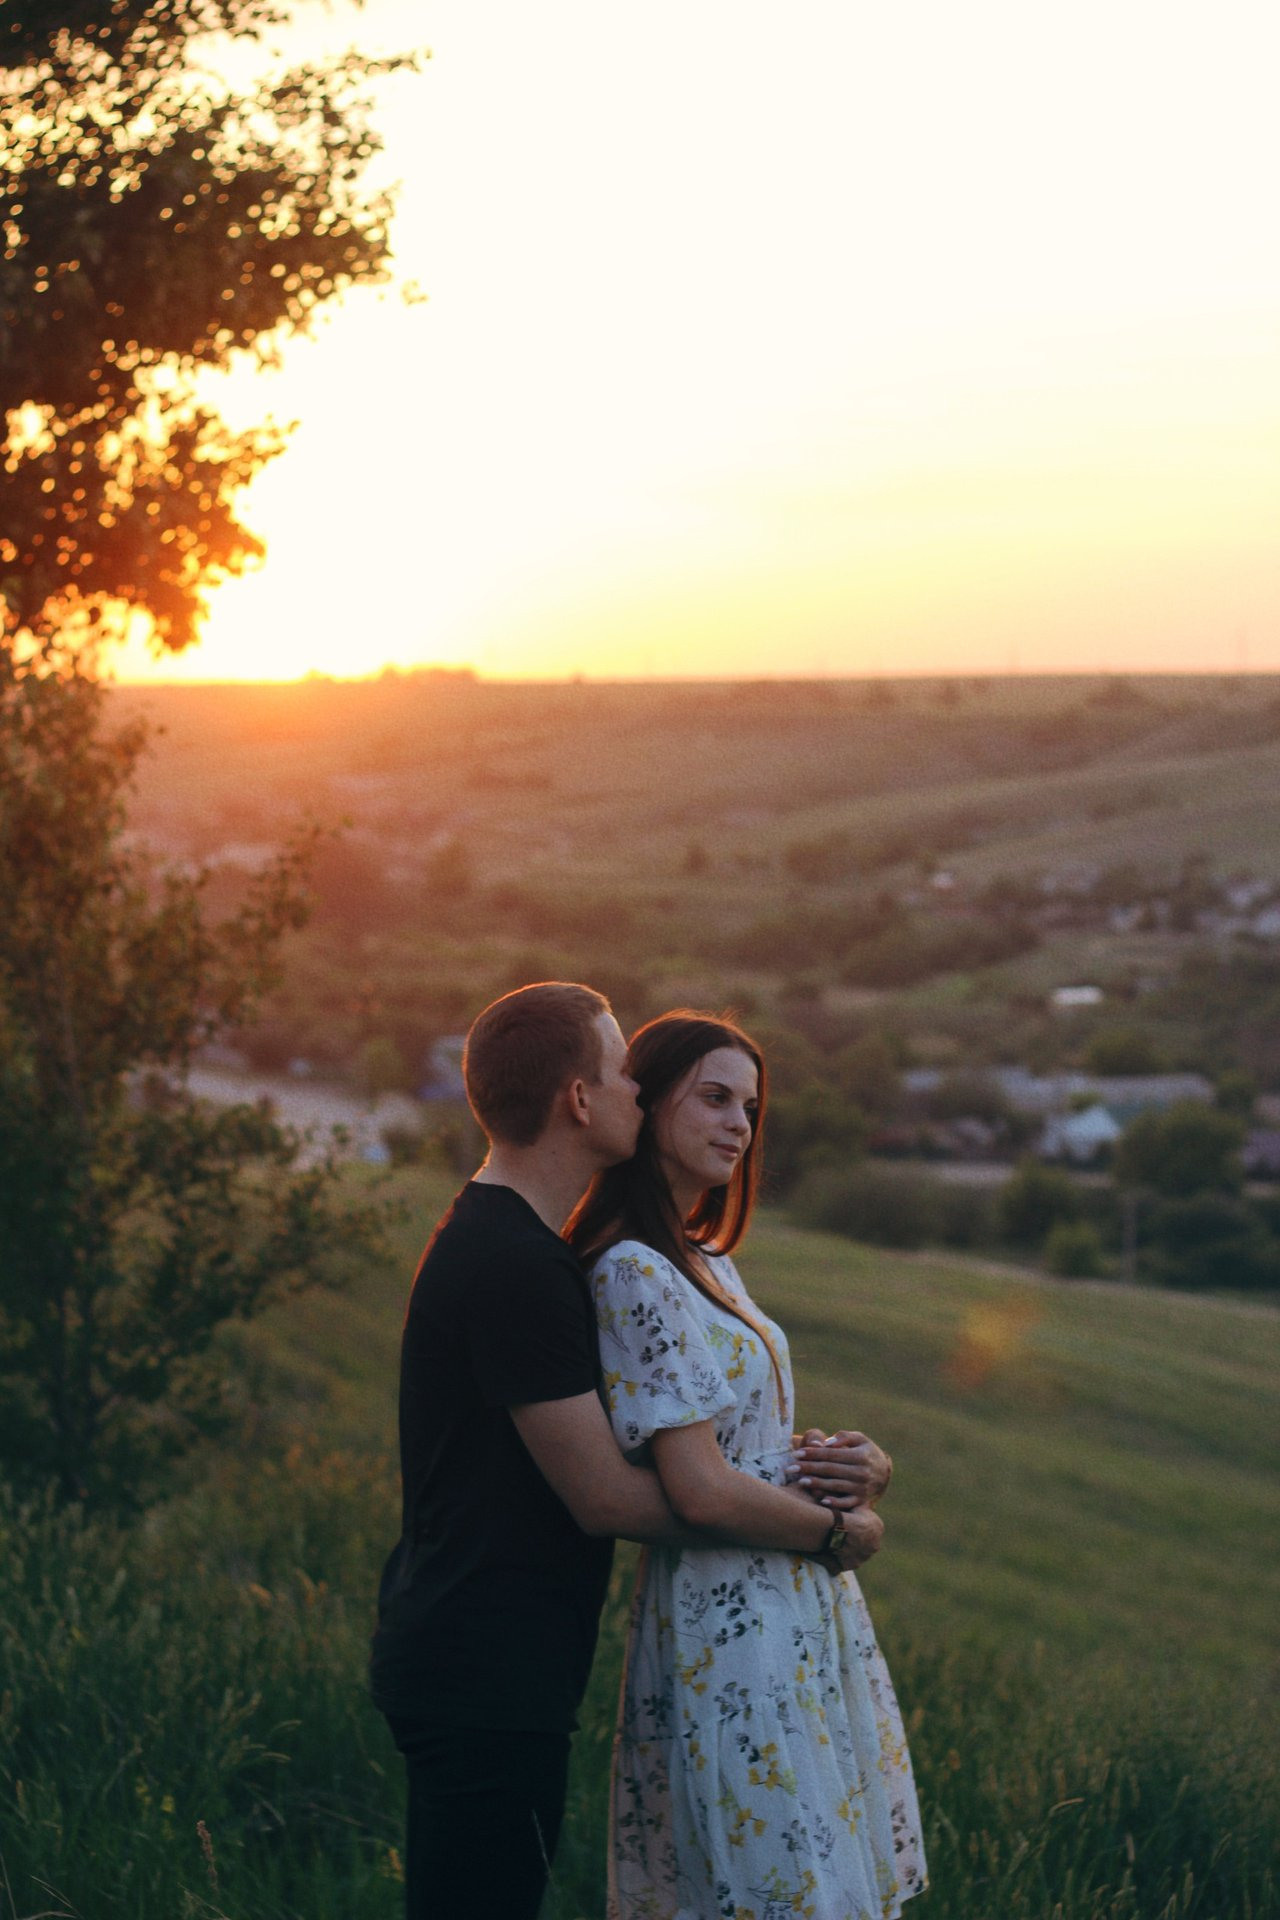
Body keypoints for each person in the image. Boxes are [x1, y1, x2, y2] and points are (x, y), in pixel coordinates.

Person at [369, 983, 891, 1920]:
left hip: (495, 1652)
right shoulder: (518, 1265)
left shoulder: (517, 1246)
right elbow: (608, 1499)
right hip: (483, 1658)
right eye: (621, 1075)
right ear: (578, 1098)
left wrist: (820, 1478)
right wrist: (816, 1527)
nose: (635, 1094)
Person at [568, 1010, 926, 1920]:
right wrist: (842, 1532)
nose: (739, 1124)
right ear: (646, 1106)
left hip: (791, 1601)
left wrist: (854, 1465)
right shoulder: (632, 1271)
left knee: (812, 1866)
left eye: (751, 1108)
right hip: (731, 1613)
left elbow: (748, 1437)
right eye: (715, 1098)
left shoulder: (705, 1261)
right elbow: (697, 1485)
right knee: (772, 1883)